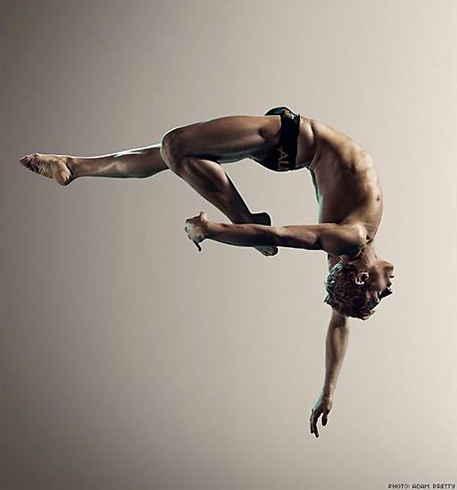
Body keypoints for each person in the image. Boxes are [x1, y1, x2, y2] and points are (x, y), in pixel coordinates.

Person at [19, 106, 394, 437]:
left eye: (380, 294)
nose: (389, 288)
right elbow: (339, 324)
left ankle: (75, 167)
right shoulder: (347, 253)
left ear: (362, 276)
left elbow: (279, 235)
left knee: (173, 147)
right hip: (288, 144)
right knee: (172, 155)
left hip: (289, 138)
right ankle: (74, 167)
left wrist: (216, 229)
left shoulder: (351, 240)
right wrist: (328, 392)